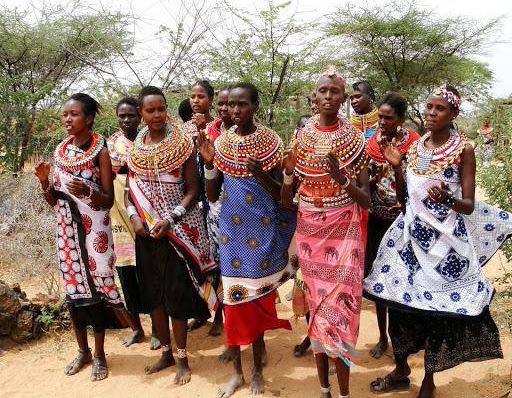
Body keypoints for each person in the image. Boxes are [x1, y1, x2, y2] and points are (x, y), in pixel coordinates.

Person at [364, 85, 512, 398]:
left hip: (445, 247)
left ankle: (428, 383)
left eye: (440, 108)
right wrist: (396, 167)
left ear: (454, 113)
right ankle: (402, 369)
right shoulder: (417, 148)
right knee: (400, 309)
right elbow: (406, 199)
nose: (431, 113)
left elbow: (468, 204)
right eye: (429, 107)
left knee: (435, 313)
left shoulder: (464, 149)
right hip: (410, 241)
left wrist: (448, 200)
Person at [196, 82, 297, 397]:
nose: (235, 111)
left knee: (255, 299)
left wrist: (261, 174)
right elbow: (213, 195)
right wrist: (211, 164)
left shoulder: (271, 142)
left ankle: (256, 369)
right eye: (231, 105)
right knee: (232, 299)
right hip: (232, 231)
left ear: (254, 106)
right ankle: (238, 371)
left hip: (262, 229)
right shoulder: (221, 142)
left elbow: (283, 197)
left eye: (242, 105)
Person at [281, 66, 371, 398]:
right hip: (309, 232)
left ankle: (344, 392)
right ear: (313, 97)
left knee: (342, 309)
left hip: (343, 232)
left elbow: (367, 199)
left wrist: (342, 178)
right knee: (316, 307)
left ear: (343, 99)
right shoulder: (300, 139)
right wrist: (289, 174)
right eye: (322, 91)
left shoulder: (355, 140)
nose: (328, 97)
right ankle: (323, 389)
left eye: (334, 91)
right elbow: (287, 201)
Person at [35, 93, 133, 381]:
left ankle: (100, 354)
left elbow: (107, 200)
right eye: (64, 114)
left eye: (73, 114)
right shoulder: (60, 151)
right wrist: (44, 183)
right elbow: (55, 201)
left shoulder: (100, 149)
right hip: (67, 229)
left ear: (88, 118)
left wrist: (87, 191)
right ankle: (83, 351)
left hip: (96, 229)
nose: (67, 119)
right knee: (74, 290)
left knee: (98, 285)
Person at [126, 85, 219, 385]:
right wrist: (134, 217)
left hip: (178, 230)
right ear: (141, 112)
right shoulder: (136, 149)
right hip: (147, 232)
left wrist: (170, 218)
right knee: (154, 297)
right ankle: (164, 353)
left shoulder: (181, 143)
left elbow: (193, 191)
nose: (157, 115)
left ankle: (182, 358)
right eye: (150, 110)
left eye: (161, 109)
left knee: (176, 297)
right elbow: (130, 192)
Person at [364, 93, 420, 359]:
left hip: (404, 220)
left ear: (401, 119)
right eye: (380, 117)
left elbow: (419, 180)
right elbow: (366, 183)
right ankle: (382, 336)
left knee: (405, 278)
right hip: (378, 219)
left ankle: (406, 338)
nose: (383, 122)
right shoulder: (371, 143)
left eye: (388, 117)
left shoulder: (414, 143)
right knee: (377, 279)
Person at [106, 96, 160, 350]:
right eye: (122, 116)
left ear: (139, 116)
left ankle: (159, 329)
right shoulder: (110, 146)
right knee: (126, 276)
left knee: (149, 276)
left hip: (143, 217)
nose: (127, 120)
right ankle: (137, 328)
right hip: (117, 219)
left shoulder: (147, 143)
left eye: (131, 115)